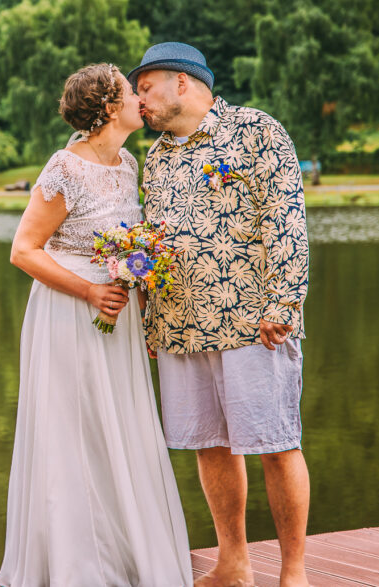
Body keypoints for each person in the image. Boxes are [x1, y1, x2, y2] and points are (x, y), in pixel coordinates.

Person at [0, 63, 193, 587]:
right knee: (73, 430)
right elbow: (23, 251)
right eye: (131, 93)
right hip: (69, 311)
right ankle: (75, 566)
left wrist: (144, 305)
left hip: (119, 317)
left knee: (118, 427)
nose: (139, 100)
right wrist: (88, 291)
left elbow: (132, 244)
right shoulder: (64, 167)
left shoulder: (128, 162)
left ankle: (126, 555)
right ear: (109, 108)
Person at [129, 42, 311, 587]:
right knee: (209, 445)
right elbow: (154, 243)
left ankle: (293, 572)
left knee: (276, 444)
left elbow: (286, 221)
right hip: (181, 327)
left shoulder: (255, 131)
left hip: (255, 323)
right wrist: (150, 321)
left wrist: (284, 302)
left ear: (182, 83)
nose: (139, 100)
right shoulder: (156, 156)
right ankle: (233, 564)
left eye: (145, 87)